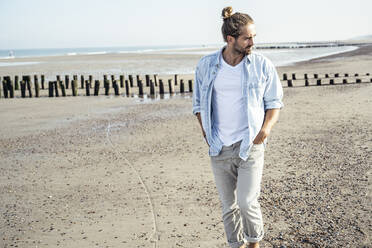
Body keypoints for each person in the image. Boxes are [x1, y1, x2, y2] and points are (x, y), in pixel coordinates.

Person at [192, 6, 284, 248]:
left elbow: (274, 102)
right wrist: (206, 133)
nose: (252, 41)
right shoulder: (206, 65)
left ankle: (254, 244)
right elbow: (199, 104)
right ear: (230, 39)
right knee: (228, 206)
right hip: (219, 147)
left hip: (250, 144)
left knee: (246, 202)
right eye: (247, 37)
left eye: (254, 36)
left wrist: (265, 130)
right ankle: (236, 245)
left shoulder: (262, 65)